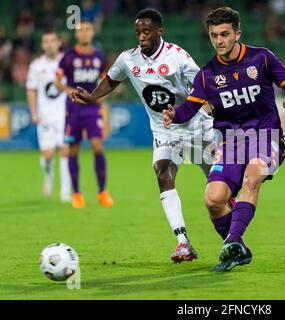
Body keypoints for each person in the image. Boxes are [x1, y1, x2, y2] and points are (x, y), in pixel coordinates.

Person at [163, 7, 285, 271]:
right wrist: (174, 114)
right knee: (214, 200)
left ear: (237, 34)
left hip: (267, 136)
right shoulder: (207, 74)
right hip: (231, 143)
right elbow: (189, 110)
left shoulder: (261, 58)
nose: (219, 40)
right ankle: (236, 249)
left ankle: (232, 241)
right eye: (214, 35)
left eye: (225, 34)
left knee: (253, 176)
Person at [71, 9, 217, 263]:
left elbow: (201, 84)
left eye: (146, 31)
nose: (141, 36)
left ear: (160, 31)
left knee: (218, 190)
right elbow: (111, 79)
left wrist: (205, 105)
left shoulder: (177, 56)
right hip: (164, 130)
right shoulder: (128, 59)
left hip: (195, 127)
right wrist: (93, 96)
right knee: (163, 172)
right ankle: (183, 242)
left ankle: (232, 233)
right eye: (138, 32)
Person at [55, 19, 114, 208]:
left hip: (91, 108)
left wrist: (100, 98)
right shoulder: (69, 56)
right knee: (73, 149)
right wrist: (69, 91)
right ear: (76, 35)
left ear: (92, 33)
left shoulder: (99, 55)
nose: (85, 33)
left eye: (88, 29)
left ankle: (102, 191)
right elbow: (57, 81)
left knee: (97, 147)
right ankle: (77, 194)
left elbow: (104, 80)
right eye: (81, 30)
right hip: (73, 109)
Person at [26, 30, 71, 202]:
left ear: (58, 43)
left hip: (64, 115)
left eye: (52, 40)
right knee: (48, 156)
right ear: (42, 44)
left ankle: (65, 191)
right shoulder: (36, 66)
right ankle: (48, 175)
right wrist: (34, 112)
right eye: (46, 41)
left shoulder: (67, 61)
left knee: (65, 151)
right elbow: (31, 90)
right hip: (45, 116)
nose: (49, 44)